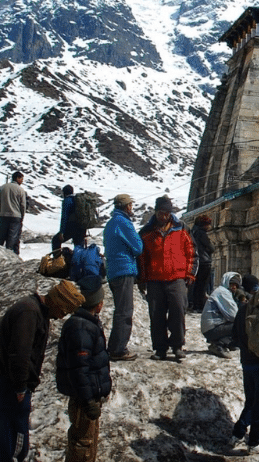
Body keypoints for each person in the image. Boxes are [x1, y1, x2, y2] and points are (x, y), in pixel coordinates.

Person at [0, 279, 84, 462]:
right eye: (63, 310)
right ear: (57, 302)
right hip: (11, 383)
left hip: (13, 382)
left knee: (9, 432)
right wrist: (20, 387)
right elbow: (20, 353)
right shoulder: (29, 313)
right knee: (14, 434)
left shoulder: (35, 310)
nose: (61, 316)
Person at [55, 283, 111, 462]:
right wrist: (87, 400)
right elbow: (79, 369)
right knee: (82, 443)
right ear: (98, 304)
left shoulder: (86, 324)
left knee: (88, 440)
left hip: (88, 396)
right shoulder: (82, 328)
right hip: (83, 399)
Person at [138, 196, 196, 361]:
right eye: (160, 213)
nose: (163, 216)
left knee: (178, 310)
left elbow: (192, 252)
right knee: (156, 314)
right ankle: (160, 348)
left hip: (177, 277)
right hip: (155, 279)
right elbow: (142, 258)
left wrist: (190, 273)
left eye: (166, 213)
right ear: (156, 212)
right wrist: (142, 278)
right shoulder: (146, 232)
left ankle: (177, 345)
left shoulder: (181, 229)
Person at [104, 193, 142, 361]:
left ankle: (114, 346)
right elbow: (138, 246)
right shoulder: (124, 223)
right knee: (125, 311)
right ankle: (118, 349)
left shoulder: (111, 223)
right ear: (127, 206)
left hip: (113, 270)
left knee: (120, 309)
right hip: (124, 268)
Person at [230, 274, 259, 447]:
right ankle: (250, 438)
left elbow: (234, 335)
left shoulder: (243, 308)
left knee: (251, 400)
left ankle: (239, 432)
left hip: (246, 362)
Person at [201, 271, 243, 358]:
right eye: (232, 284)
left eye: (236, 285)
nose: (234, 287)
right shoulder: (223, 293)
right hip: (212, 329)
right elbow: (234, 316)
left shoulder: (222, 291)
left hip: (212, 327)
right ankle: (219, 344)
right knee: (241, 324)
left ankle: (227, 342)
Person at [0, 171, 27, 255]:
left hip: (3, 215)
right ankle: (9, 255)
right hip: (15, 216)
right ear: (18, 178)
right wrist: (21, 217)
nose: (22, 181)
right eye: (21, 179)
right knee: (12, 239)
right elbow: (23, 205)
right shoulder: (20, 190)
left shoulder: (3, 188)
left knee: (1, 238)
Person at [189, 215, 215, 312]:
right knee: (202, 285)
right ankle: (199, 305)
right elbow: (211, 247)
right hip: (204, 261)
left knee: (196, 285)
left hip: (195, 261)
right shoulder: (201, 233)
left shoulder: (193, 232)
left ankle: (194, 304)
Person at [54, 185, 87, 251]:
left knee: (55, 241)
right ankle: (79, 260)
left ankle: (58, 259)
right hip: (82, 228)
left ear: (64, 193)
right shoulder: (78, 200)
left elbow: (64, 217)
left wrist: (62, 232)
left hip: (71, 228)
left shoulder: (66, 201)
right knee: (79, 248)